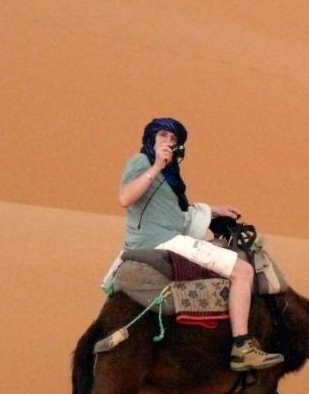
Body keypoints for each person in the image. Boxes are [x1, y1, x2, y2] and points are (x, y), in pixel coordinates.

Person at [118, 117, 283, 371]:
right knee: (243, 271)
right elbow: (125, 197)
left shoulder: (170, 179)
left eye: (174, 140)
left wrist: (213, 212)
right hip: (161, 241)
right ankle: (242, 346)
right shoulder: (142, 162)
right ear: (151, 138)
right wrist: (155, 168)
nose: (169, 142)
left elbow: (175, 217)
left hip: (169, 236)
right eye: (163, 135)